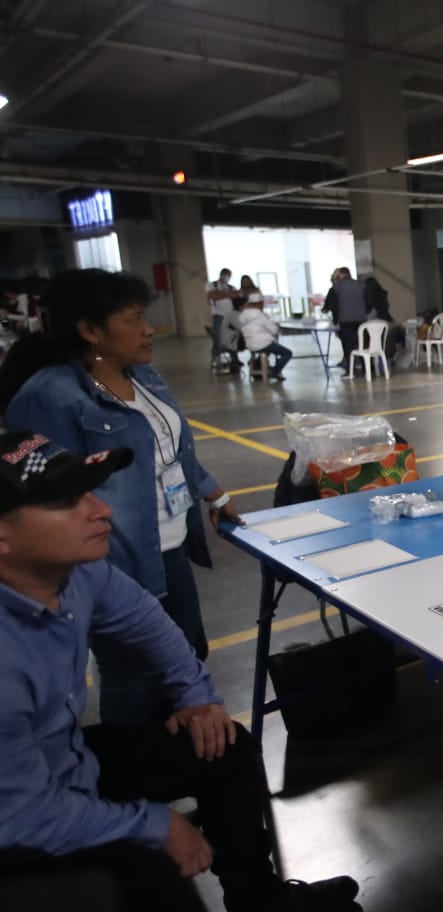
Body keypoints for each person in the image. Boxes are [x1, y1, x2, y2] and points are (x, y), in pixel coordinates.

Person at [0, 431, 362, 912]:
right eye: (66, 502)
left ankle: (262, 903)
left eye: (90, 492)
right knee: (153, 876)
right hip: (19, 823)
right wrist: (151, 824)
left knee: (226, 748)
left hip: (66, 761)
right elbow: (20, 815)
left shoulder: (76, 572)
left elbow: (144, 619)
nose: (102, 510)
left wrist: (195, 694)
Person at [0, 269, 244, 723]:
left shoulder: (145, 377)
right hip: (116, 556)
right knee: (132, 671)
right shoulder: (50, 396)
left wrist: (211, 492)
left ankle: (176, 750)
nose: (149, 329)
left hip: (170, 544)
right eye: (133, 319)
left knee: (188, 647)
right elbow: (39, 493)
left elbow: (171, 449)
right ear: (90, 330)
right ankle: (132, 758)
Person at [322, 267, 366, 375]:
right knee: (363, 345)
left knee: (348, 347)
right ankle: (367, 369)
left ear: (340, 275)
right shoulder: (361, 285)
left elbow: (330, 305)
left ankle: (350, 371)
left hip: (345, 321)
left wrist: (335, 317)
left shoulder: (337, 287)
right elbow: (367, 301)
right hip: (362, 320)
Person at [237, 296, 292, 381]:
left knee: (267, 351)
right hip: (264, 343)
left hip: (250, 344)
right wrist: (277, 329)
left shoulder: (242, 315)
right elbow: (274, 330)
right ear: (260, 304)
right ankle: (275, 371)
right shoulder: (259, 315)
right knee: (287, 353)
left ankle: (259, 368)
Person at [206, 268, 240, 369]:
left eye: (228, 275)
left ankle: (235, 359)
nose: (226, 277)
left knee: (232, 337)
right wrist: (228, 295)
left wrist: (220, 294)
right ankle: (217, 360)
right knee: (218, 338)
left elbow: (236, 296)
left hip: (231, 315)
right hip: (218, 315)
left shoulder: (231, 287)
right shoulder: (212, 285)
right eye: (225, 275)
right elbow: (212, 296)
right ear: (221, 275)